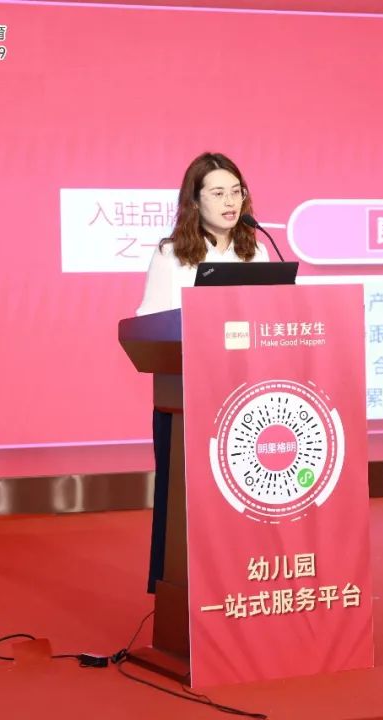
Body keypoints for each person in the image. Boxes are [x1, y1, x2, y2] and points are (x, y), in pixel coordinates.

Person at [137, 152, 268, 592]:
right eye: (217, 193)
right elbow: (150, 325)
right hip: (188, 400)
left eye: (236, 192)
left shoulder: (256, 251)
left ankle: (244, 583)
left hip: (246, 398)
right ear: (195, 201)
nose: (230, 202)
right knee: (187, 504)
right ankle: (183, 589)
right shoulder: (171, 255)